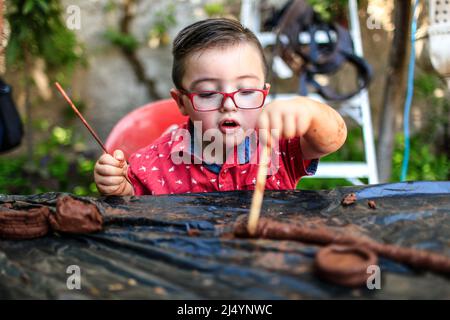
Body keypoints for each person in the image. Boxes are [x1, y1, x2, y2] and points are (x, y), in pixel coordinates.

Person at [94, 18, 347, 196]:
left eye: (247, 91)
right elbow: (132, 207)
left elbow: (331, 138)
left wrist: (310, 111)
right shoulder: (153, 164)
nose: (229, 105)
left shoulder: (277, 148)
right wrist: (121, 189)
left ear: (264, 93)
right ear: (181, 101)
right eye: (207, 94)